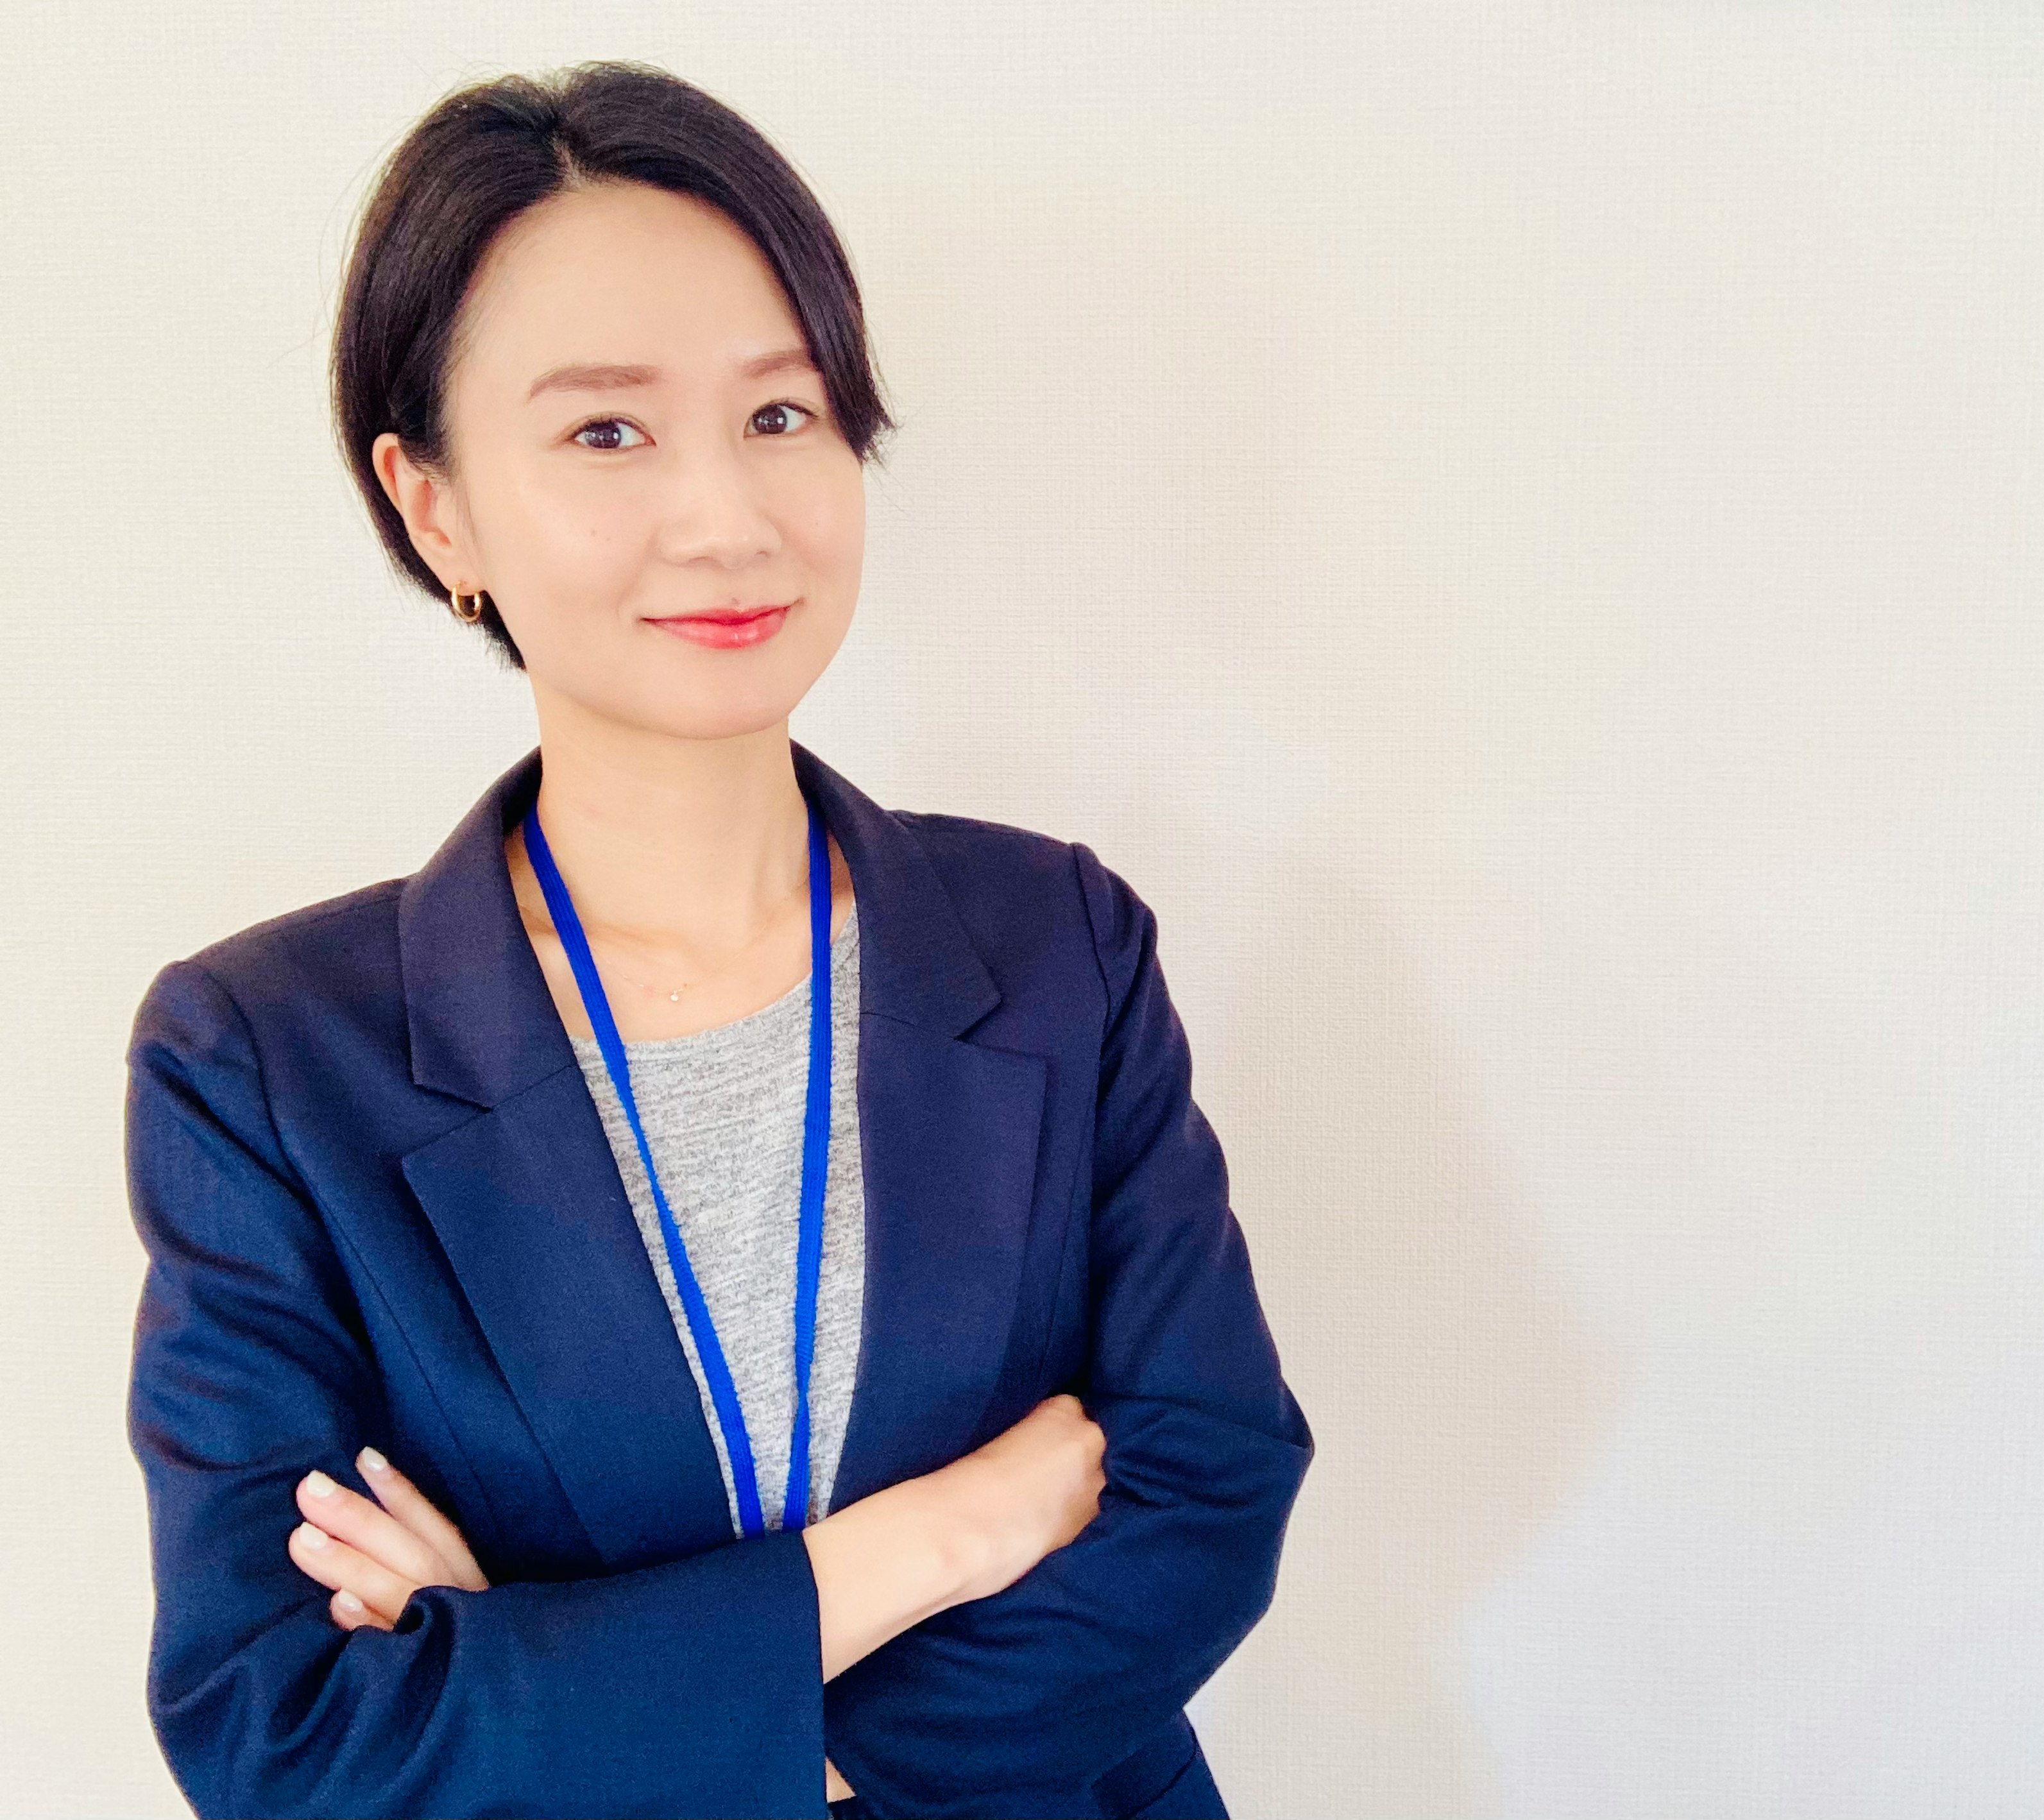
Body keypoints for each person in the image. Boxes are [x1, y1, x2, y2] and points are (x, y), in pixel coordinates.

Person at [121, 60, 1312, 1820]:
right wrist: (935, 1541)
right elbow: (285, 1733)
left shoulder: (1055, 940)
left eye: (781, 416)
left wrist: (596, 1690)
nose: (728, 518)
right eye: (608, 432)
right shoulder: (265, 1062)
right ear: (435, 503)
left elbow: (1205, 1486)